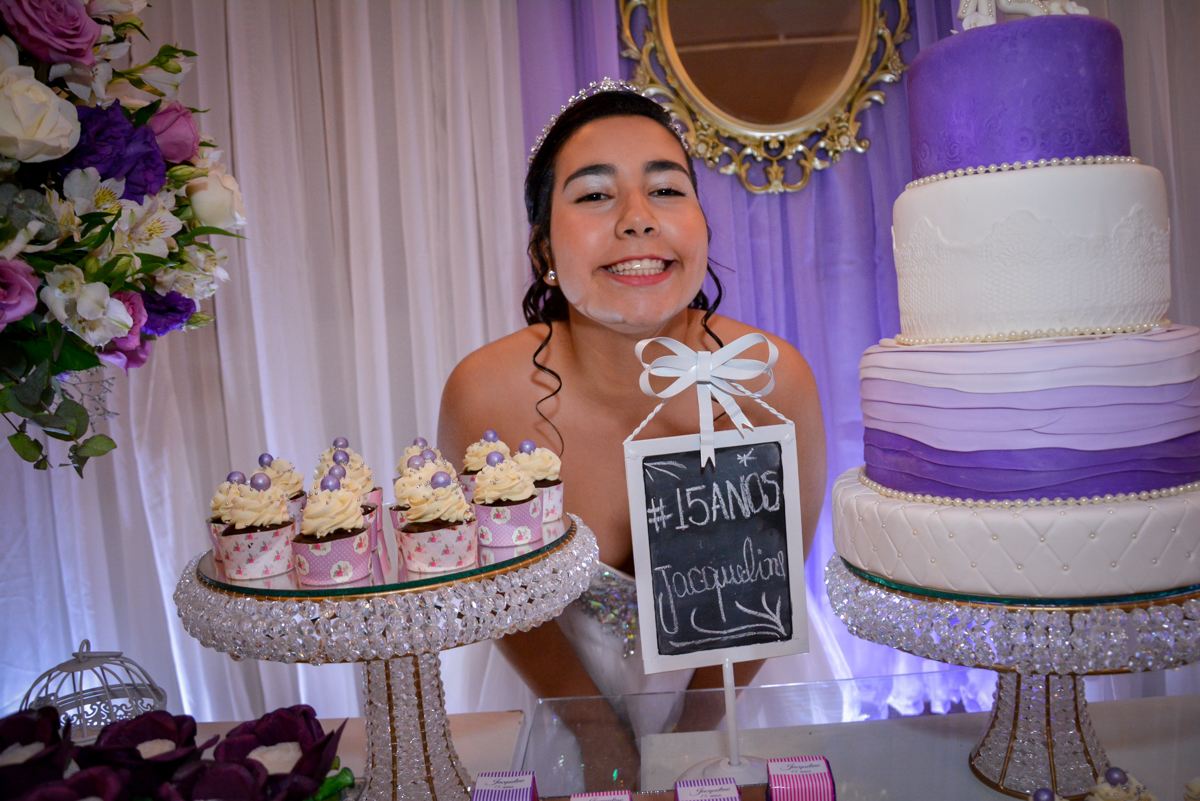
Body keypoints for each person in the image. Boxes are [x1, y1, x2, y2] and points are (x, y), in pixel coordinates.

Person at [438, 84, 826, 711]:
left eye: (667, 190)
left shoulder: (770, 379)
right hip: (551, 697)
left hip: (736, 694)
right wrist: (593, 734)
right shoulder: (484, 395)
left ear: (701, 227)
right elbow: (499, 597)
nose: (637, 217)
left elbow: (779, 572)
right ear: (543, 251)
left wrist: (698, 731)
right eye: (595, 195)